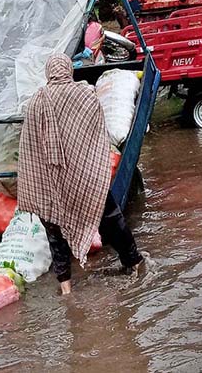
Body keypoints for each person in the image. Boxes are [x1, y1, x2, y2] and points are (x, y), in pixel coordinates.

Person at [17, 53, 143, 295]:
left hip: (51, 183)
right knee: (111, 220)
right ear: (69, 70)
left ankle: (66, 288)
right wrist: (89, 165)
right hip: (85, 178)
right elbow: (97, 135)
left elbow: (30, 150)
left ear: (48, 73)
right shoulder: (85, 94)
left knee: (55, 234)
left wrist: (40, 181)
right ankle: (134, 261)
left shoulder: (36, 102)